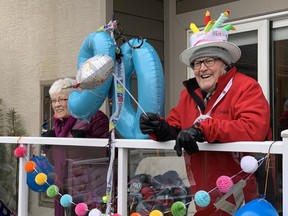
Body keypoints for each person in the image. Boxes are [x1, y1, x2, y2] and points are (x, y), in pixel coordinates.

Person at [139, 24, 273, 214]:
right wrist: (157, 127)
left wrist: (203, 129)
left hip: (243, 189)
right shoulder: (188, 95)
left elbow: (253, 129)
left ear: (224, 63)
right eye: (196, 63)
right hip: (203, 191)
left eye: (208, 61)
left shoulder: (246, 87)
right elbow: (175, 127)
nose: (202, 69)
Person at [42, 78, 110, 216]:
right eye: (54, 101)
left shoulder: (94, 117)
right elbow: (58, 162)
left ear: (75, 100)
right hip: (70, 192)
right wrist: (49, 148)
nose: (57, 105)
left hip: (95, 192)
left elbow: (110, 152)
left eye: (62, 100)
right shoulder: (58, 125)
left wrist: (84, 142)